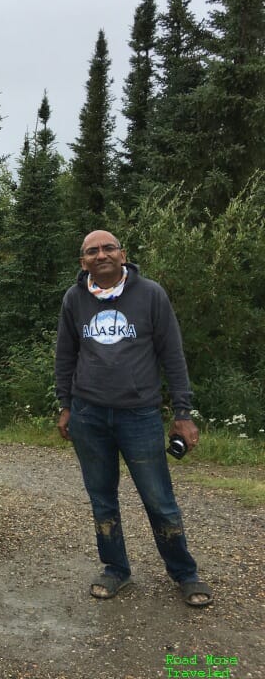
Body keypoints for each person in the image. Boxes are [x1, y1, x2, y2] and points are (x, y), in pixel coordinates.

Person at [54, 229, 212, 608]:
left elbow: (172, 355)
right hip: (88, 415)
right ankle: (115, 569)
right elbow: (65, 356)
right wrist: (65, 405)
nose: (101, 255)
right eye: (92, 251)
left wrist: (183, 413)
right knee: (102, 499)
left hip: (139, 415)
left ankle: (185, 573)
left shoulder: (150, 295)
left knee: (159, 499)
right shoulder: (74, 299)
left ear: (123, 254)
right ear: (83, 262)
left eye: (108, 248)